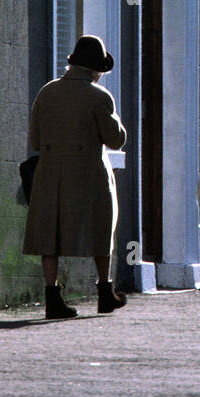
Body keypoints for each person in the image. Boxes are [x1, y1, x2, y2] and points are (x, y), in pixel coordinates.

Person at [23, 35, 129, 319]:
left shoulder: (47, 92)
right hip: (89, 174)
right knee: (100, 227)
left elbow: (35, 139)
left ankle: (52, 297)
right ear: (96, 70)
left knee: (50, 235)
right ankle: (105, 293)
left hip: (51, 174)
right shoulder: (98, 96)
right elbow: (116, 140)